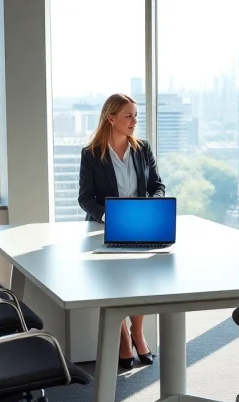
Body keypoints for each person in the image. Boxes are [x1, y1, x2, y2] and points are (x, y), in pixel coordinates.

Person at [78, 93, 165, 371]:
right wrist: (108, 215)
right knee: (114, 283)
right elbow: (85, 198)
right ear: (111, 118)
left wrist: (152, 205)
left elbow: (157, 185)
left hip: (140, 224)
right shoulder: (91, 154)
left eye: (136, 115)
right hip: (105, 226)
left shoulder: (142, 149)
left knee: (140, 281)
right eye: (128, 115)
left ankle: (138, 332)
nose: (134, 121)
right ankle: (124, 334)